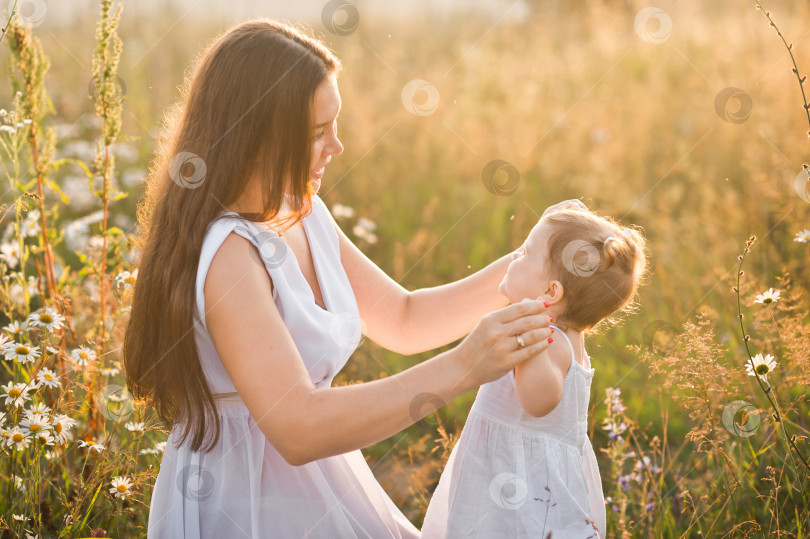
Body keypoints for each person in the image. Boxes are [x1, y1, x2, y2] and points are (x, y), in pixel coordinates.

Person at [122, 19, 563, 538]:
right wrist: (466, 366)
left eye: (334, 125)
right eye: (316, 133)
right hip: (246, 503)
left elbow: (403, 318)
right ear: (256, 136)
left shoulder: (301, 209)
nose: (338, 146)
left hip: (323, 481)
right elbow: (298, 426)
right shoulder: (230, 256)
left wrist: (537, 261)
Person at [421, 207, 650, 538]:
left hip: (519, 490)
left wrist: (529, 345)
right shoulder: (567, 332)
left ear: (551, 294)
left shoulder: (549, 341)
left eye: (525, 252)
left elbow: (540, 401)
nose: (513, 257)